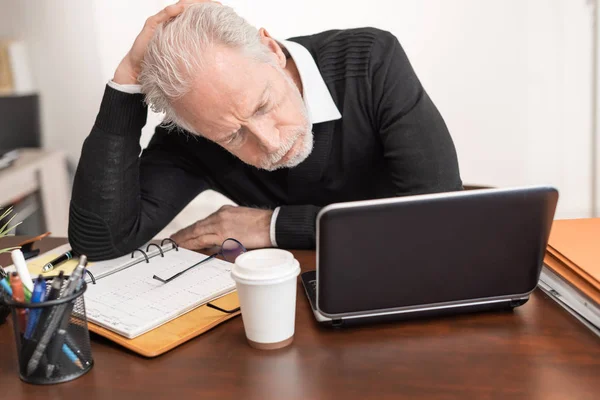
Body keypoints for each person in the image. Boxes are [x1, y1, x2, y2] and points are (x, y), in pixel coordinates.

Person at [68, 0, 463, 260]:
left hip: (399, 281)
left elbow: (439, 218)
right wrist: (126, 83)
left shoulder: (372, 61)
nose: (272, 143)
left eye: (264, 105)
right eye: (232, 137)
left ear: (272, 50)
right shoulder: (193, 132)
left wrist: (271, 225)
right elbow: (102, 243)